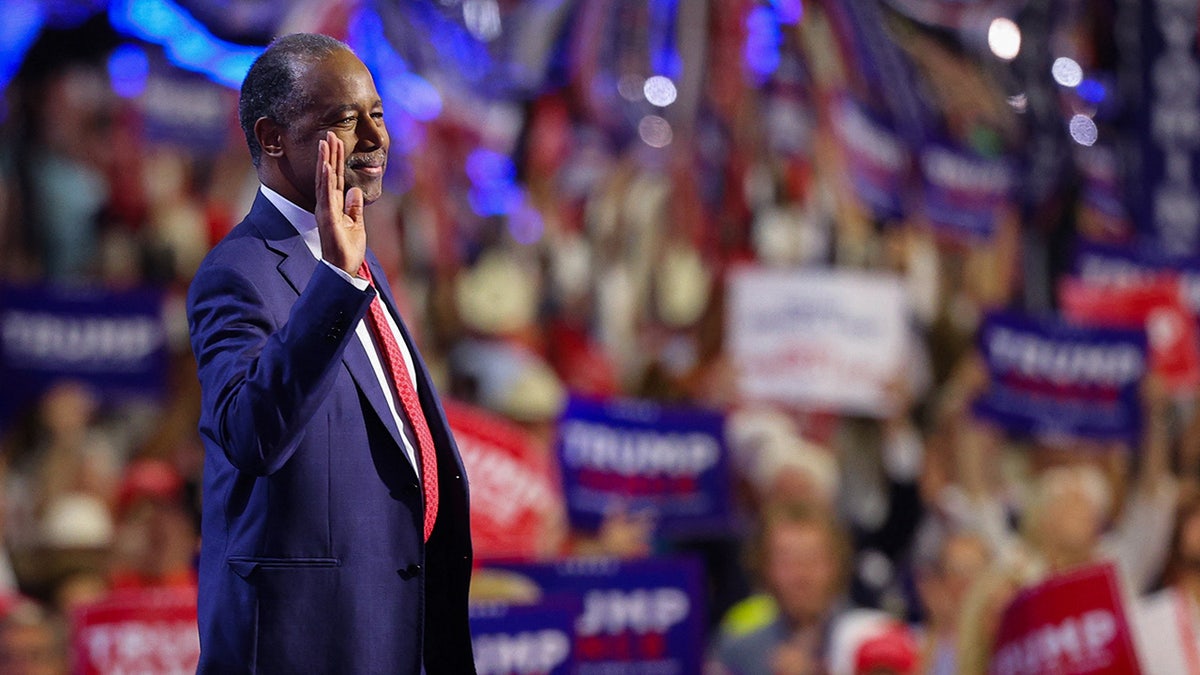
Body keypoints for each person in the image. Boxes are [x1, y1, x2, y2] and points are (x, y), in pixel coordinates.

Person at [187, 34, 473, 673]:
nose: (375, 138)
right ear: (272, 138)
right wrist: (337, 284)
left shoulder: (363, 263)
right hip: (307, 646)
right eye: (345, 120)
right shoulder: (238, 272)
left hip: (396, 630)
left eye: (377, 113)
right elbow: (251, 434)